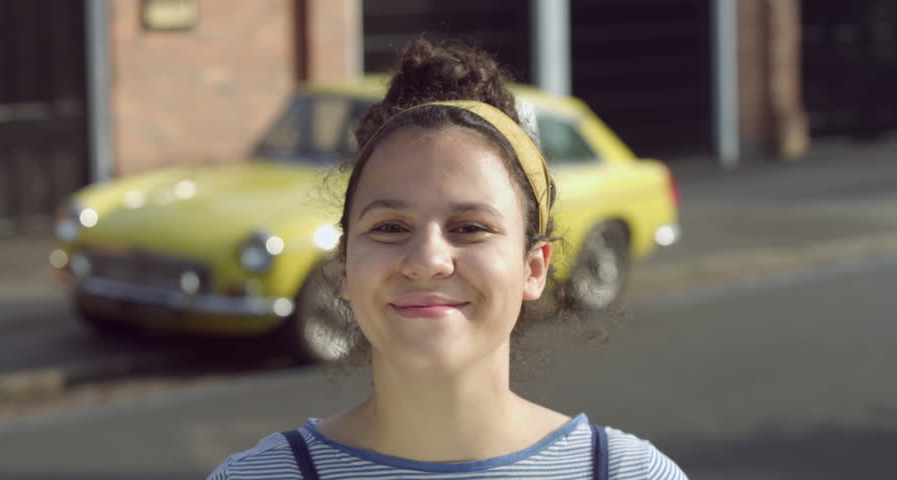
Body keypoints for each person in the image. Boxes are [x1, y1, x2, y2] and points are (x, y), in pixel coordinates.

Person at [207, 39, 687, 480]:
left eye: (470, 227)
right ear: (345, 267)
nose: (427, 260)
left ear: (534, 268)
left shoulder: (628, 473)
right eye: (389, 227)